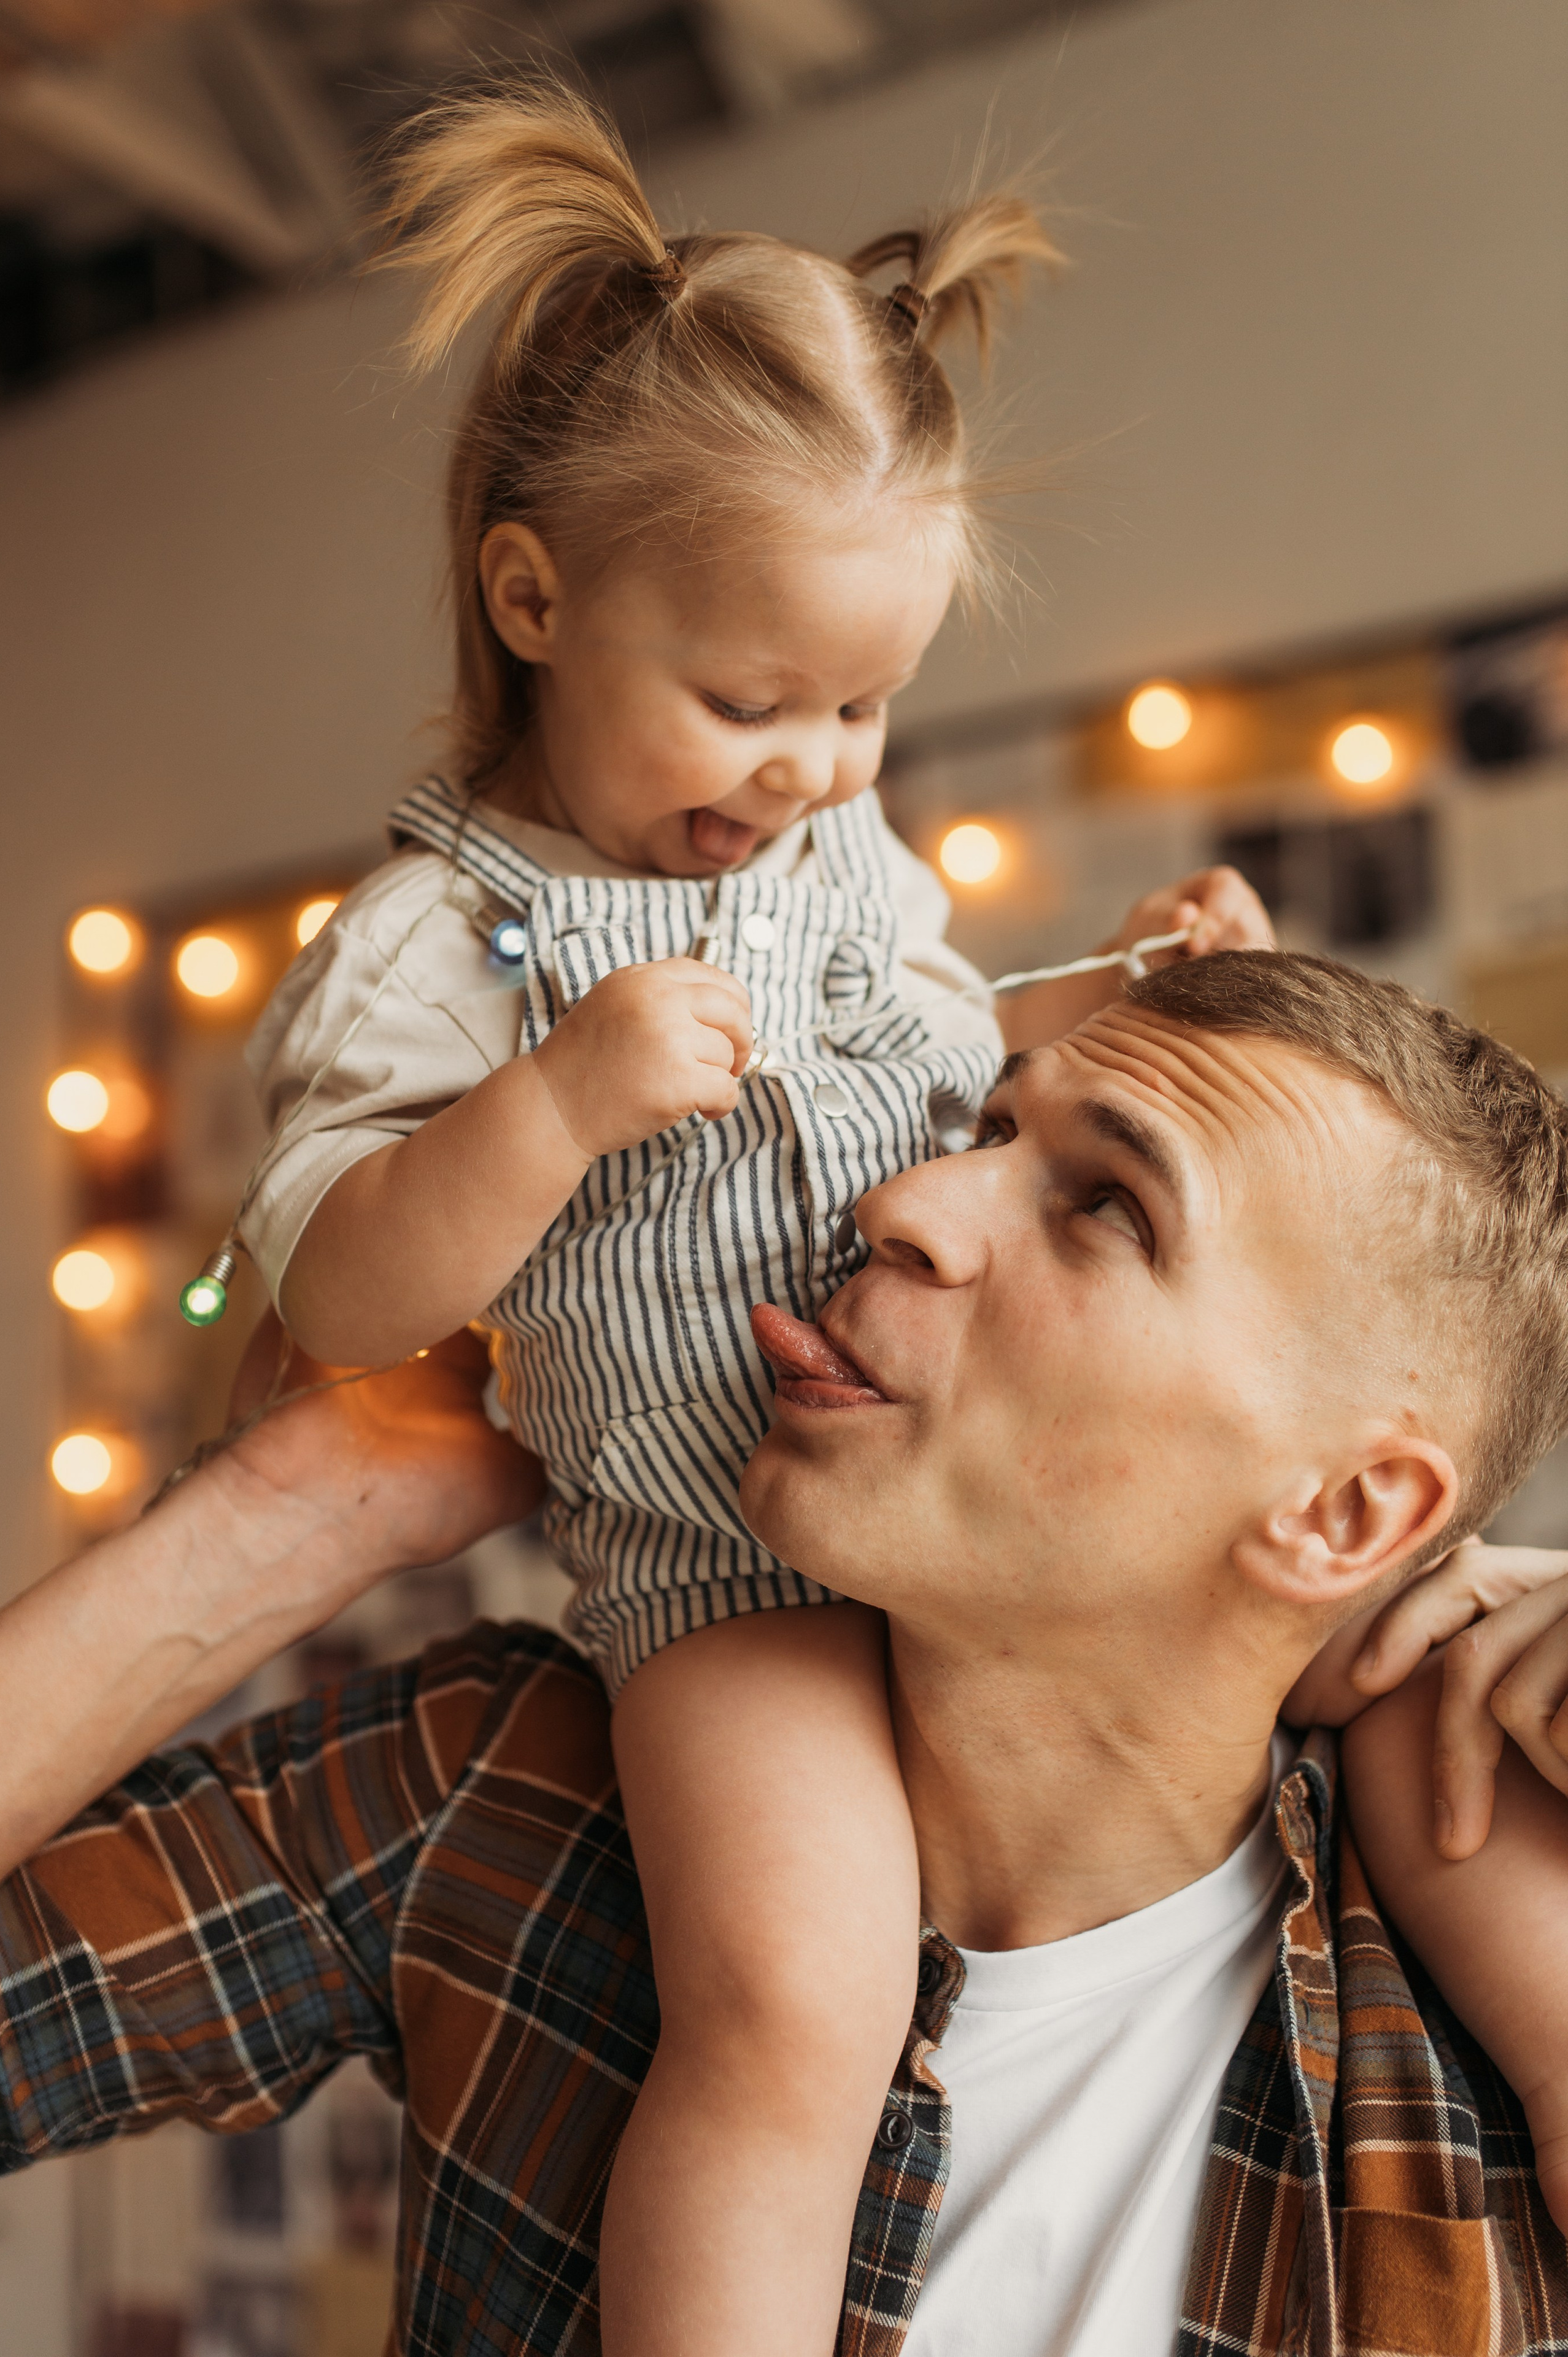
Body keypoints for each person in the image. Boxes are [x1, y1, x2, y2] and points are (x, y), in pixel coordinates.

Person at [230, 81, 1273, 2356]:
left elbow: (959, 1052)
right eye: (747, 700)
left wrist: (1132, 987)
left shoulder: (841, 867)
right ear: (535, 597)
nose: (807, 766)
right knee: (797, 2014)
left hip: (988, 1510)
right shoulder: (447, 943)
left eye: (868, 708)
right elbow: (331, 1283)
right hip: (746, 1569)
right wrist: (551, 1109)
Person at [4, 950, 1568, 2355]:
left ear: (1347, 1511)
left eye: (1107, 1208)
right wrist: (278, 1517)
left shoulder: (1490, 1991)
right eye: (983, 1134)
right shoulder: (511, 1786)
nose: (900, 1205)